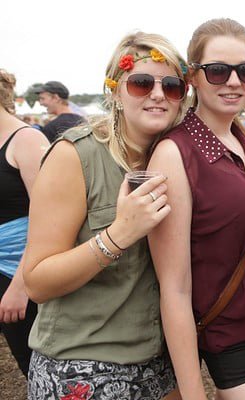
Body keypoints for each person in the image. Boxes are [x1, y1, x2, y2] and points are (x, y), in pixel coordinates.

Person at [22, 32, 188, 399]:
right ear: (114, 91)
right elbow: (37, 282)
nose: (158, 94)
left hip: (160, 363)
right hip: (83, 366)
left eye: (172, 86)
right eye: (141, 83)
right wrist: (118, 235)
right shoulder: (75, 156)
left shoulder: (177, 157)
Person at [147, 18, 245, 400]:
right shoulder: (176, 153)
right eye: (218, 70)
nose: (233, 81)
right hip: (229, 334)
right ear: (193, 77)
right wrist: (193, 393)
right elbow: (175, 288)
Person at [0, 69, 49, 377]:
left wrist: (20, 287)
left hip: (19, 269)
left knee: (31, 361)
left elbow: (49, 218)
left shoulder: (27, 140)